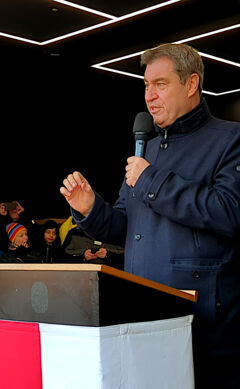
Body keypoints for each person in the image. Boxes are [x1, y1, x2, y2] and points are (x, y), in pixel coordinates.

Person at [60, 43, 240, 388]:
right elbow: (126, 226)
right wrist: (90, 209)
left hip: (204, 328)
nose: (149, 95)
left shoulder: (231, 139)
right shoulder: (149, 149)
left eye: (161, 84)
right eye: (145, 85)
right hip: (143, 317)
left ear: (190, 84)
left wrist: (151, 180)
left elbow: (229, 212)